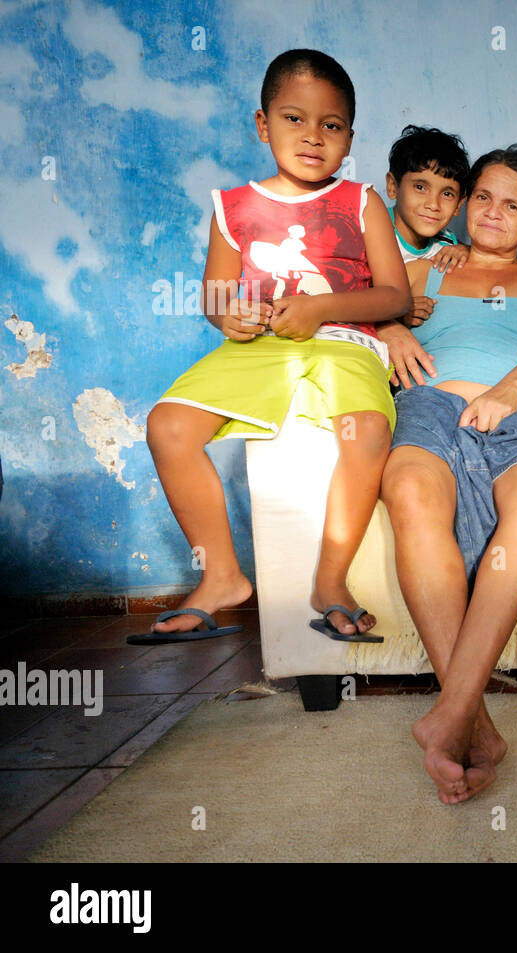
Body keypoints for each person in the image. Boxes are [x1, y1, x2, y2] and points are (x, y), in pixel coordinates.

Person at [137, 49, 409, 644]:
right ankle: (223, 579)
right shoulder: (231, 208)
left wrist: (320, 309)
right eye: (294, 119)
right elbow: (215, 294)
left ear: (349, 138)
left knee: (366, 430)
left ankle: (329, 582)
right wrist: (227, 315)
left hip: (344, 344)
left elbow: (394, 297)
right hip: (258, 349)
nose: (312, 137)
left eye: (330, 125)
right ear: (263, 125)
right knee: (168, 427)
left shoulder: (361, 202)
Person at [375, 144, 517, 803]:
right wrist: (390, 329)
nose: (492, 212)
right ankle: (472, 722)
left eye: (512, 204)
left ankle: (451, 717)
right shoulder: (420, 269)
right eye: (481, 196)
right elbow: (362, 324)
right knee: (407, 484)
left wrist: (508, 393)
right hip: (429, 406)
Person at [384, 125, 471, 327]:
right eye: (420, 187)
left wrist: (466, 252)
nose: (433, 204)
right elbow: (353, 292)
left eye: (447, 194)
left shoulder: (448, 243)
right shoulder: (374, 229)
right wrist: (396, 310)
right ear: (393, 186)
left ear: (459, 204)